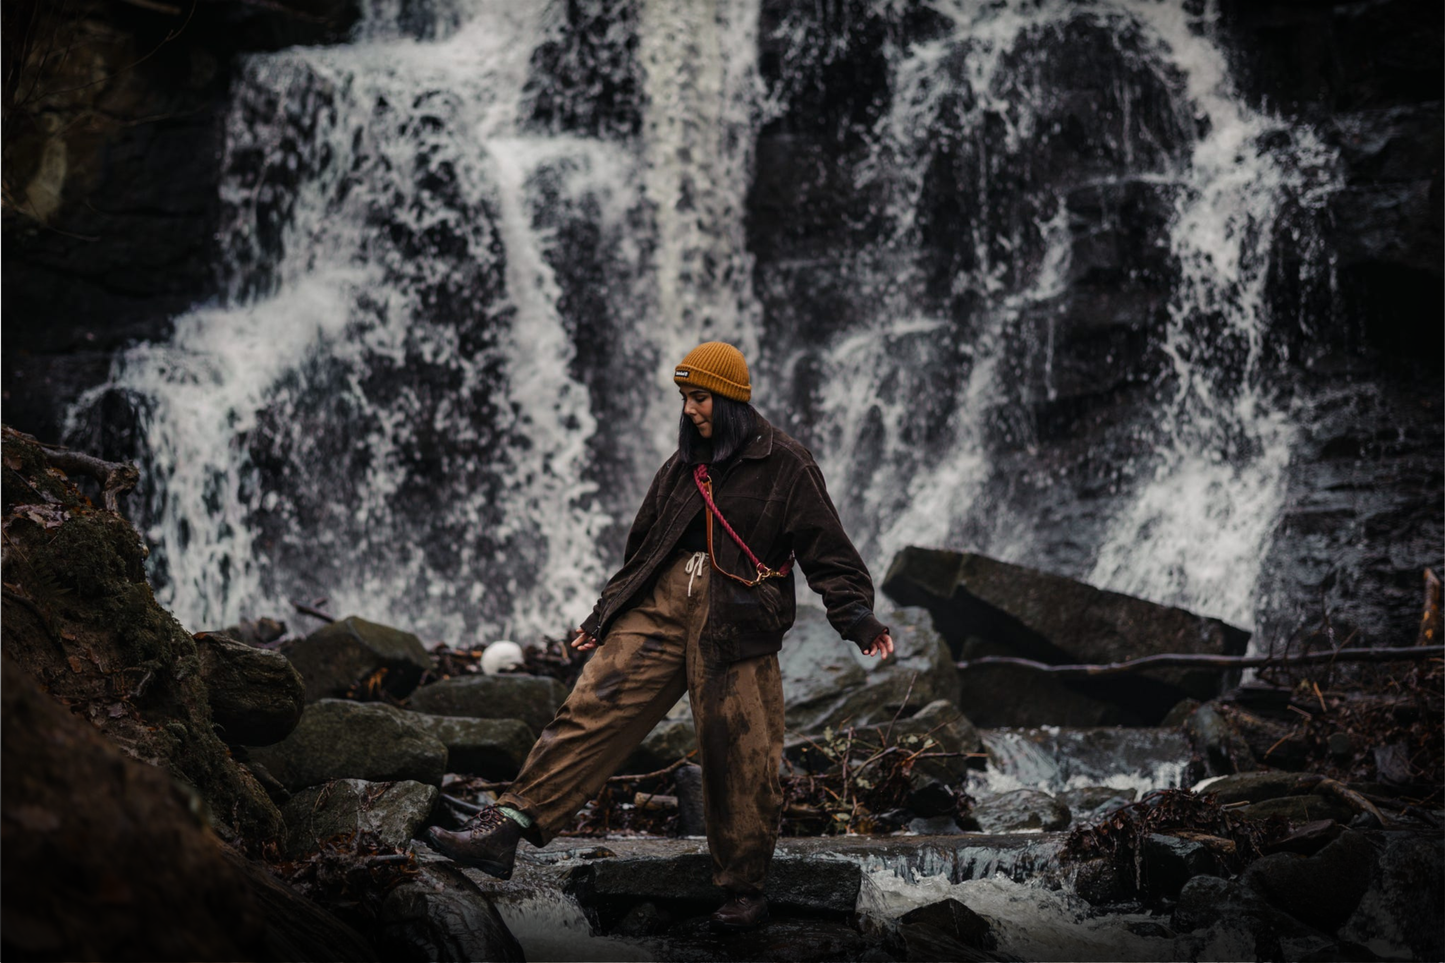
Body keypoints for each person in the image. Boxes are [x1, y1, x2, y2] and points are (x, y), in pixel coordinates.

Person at [427, 342, 894, 932]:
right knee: (591, 707)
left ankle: (744, 890)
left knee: (739, 752)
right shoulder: (682, 465)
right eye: (684, 398)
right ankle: (506, 827)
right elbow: (645, 547)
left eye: (699, 398)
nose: (690, 409)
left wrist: (857, 618)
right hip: (661, 606)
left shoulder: (787, 463)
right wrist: (604, 614)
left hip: (738, 618)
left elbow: (828, 551)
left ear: (730, 400)